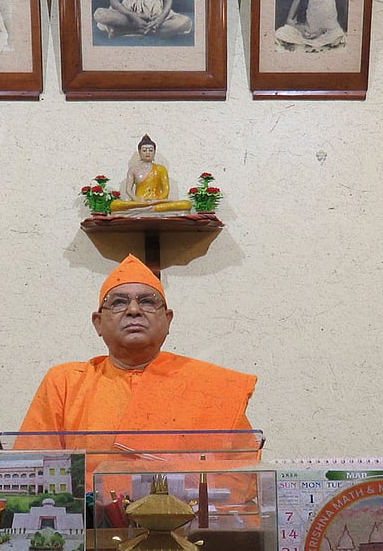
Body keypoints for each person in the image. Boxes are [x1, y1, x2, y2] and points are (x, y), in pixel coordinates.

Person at [17, 255, 257, 486]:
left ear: (168, 320)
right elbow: (33, 470)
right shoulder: (66, 384)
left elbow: (242, 477)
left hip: (186, 514)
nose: (133, 310)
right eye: (119, 302)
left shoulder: (211, 387)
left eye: (147, 301)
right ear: (98, 323)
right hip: (92, 514)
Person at [109, 135, 192, 214]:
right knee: (115, 204)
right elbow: (128, 190)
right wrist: (138, 200)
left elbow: (166, 190)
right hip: (139, 202)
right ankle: (147, 208)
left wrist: (156, 201)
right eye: (144, 150)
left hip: (157, 202)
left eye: (151, 150)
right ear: (139, 152)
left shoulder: (161, 169)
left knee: (186, 204)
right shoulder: (133, 170)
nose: (147, 153)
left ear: (154, 152)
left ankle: (147, 209)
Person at [274, 0, 346, 52]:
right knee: (280, 32)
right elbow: (289, 20)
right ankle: (308, 45)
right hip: (302, 32)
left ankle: (304, 45)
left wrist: (318, 32)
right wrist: (302, 31)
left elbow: (330, 23)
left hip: (321, 34)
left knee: (337, 35)